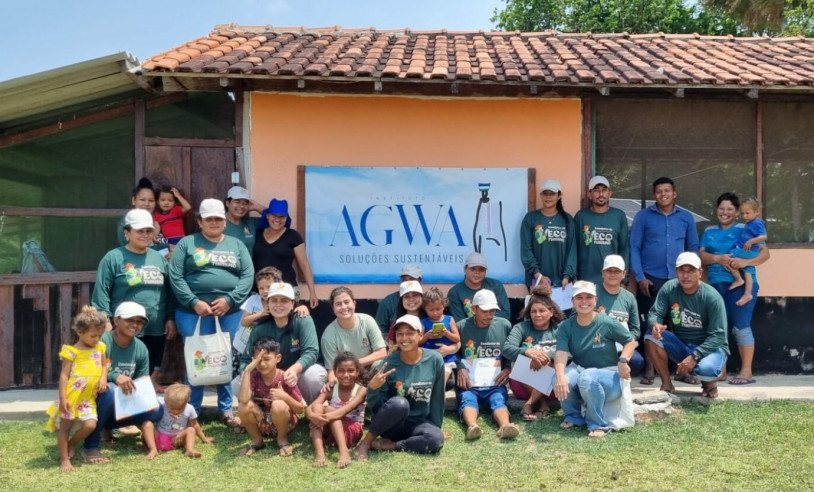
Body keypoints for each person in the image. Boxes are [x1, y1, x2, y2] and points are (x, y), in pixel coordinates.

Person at [169, 198, 254, 425]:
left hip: (230, 312)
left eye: (218, 218)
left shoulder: (237, 245)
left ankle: (226, 410)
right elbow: (175, 276)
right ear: (200, 221)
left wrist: (230, 300)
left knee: (224, 358)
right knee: (198, 358)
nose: (214, 222)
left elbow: (247, 276)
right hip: (192, 312)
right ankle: (193, 409)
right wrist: (194, 301)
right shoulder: (187, 244)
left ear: (225, 222)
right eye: (209, 219)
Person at [93, 208, 175, 392]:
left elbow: (168, 291)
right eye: (139, 231)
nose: (145, 235)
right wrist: (106, 322)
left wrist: (169, 317)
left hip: (155, 326)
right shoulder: (113, 258)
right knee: (121, 371)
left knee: (149, 366)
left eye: (148, 231)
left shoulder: (159, 258)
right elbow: (101, 293)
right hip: (123, 327)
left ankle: (145, 401)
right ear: (126, 233)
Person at [630, 177, 700, 385]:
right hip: (652, 279)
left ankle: (682, 369)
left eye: (667, 190)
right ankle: (651, 368)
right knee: (653, 323)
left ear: (674, 193)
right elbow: (634, 247)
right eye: (659, 191)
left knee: (679, 324)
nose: (663, 194)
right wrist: (640, 277)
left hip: (680, 280)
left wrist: (692, 275)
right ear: (654, 196)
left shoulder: (686, 218)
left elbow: (693, 247)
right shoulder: (643, 217)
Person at [700, 193, 770, 386]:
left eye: (730, 209)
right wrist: (717, 259)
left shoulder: (745, 227)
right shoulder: (709, 231)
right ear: (716, 210)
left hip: (741, 286)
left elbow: (765, 254)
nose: (725, 212)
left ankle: (746, 371)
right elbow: (701, 257)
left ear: (737, 212)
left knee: (740, 327)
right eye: (721, 208)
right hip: (714, 285)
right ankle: (719, 370)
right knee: (717, 329)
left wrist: (744, 262)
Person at [81, 302, 164, 465]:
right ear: (116, 320)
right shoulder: (102, 341)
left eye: (140, 321)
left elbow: (142, 382)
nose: (135, 325)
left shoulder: (141, 348)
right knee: (109, 390)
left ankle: (118, 428)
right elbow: (88, 371)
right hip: (94, 399)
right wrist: (114, 376)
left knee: (158, 409)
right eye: (130, 320)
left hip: (123, 402)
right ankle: (90, 446)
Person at [355, 315, 445, 459]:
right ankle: (365, 443)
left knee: (436, 440)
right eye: (400, 334)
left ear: (420, 334)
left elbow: (437, 398)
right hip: (393, 424)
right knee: (400, 403)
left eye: (410, 333)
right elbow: (379, 409)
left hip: (418, 423)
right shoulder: (388, 364)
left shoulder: (435, 360)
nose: (404, 338)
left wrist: (436, 428)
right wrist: (373, 389)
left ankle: (390, 446)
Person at [553, 281, 637, 438]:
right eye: (579, 297)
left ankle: (597, 424)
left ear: (596, 300)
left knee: (588, 377)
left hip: (609, 376)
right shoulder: (566, 326)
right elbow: (561, 353)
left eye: (588, 297)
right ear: (572, 301)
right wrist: (559, 376)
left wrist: (623, 360)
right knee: (558, 377)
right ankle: (573, 416)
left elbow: (630, 341)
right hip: (581, 370)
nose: (584, 302)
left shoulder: (607, 322)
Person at [644, 252, 729, 397]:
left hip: (710, 348)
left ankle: (710, 384)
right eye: (682, 270)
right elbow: (655, 313)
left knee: (707, 369)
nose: (685, 275)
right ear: (676, 272)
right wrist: (655, 324)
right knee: (651, 337)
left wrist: (695, 356)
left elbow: (719, 335)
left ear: (700, 273)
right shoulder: (669, 288)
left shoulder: (712, 297)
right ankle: (667, 384)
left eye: (691, 271)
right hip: (682, 345)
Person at [238, 282, 326, 404]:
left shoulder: (302, 320)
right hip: (272, 375)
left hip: (299, 372)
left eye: (284, 300)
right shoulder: (260, 328)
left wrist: (295, 369)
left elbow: (311, 351)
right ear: (267, 304)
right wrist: (245, 373)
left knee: (313, 376)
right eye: (274, 300)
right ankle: (263, 411)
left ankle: (312, 409)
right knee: (237, 384)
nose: (278, 305)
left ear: (292, 304)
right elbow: (246, 359)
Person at [45, 306, 108, 472]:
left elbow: (104, 365)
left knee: (90, 425)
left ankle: (71, 444)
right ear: (80, 332)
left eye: (99, 335)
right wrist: (64, 398)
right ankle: (64, 459)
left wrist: (103, 378)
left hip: (88, 398)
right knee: (65, 427)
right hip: (72, 397)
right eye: (93, 335)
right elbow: (64, 376)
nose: (96, 339)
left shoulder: (100, 347)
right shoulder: (71, 351)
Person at [455, 289, 520, 440]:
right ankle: (472, 426)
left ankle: (505, 426)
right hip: (469, 382)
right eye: (484, 311)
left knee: (499, 399)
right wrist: (460, 368)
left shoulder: (504, 325)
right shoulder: (461, 327)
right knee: (467, 399)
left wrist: (507, 369)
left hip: (494, 381)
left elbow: (510, 351)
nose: (489, 315)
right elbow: (453, 352)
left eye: (492, 311)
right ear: (474, 309)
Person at [502, 287, 564, 421]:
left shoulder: (560, 328)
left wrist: (545, 358)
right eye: (533, 311)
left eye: (542, 310)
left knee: (554, 364)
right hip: (523, 387)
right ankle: (541, 402)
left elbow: (570, 352)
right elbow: (506, 349)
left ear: (551, 312)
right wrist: (528, 352)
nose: (537, 314)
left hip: (553, 388)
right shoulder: (521, 328)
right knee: (516, 362)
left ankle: (530, 404)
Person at [238, 337, 306, 457]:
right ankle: (257, 440)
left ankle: (282, 438)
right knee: (244, 406)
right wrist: (247, 371)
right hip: (262, 424)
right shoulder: (253, 376)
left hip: (284, 423)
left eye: (266, 359)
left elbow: (300, 409)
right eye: (258, 360)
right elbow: (243, 400)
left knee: (278, 404)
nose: (262, 364)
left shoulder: (284, 377)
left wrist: (284, 397)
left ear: (278, 358)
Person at [252, 198, 318, 309]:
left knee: (287, 323)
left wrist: (312, 292)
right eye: (274, 215)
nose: (277, 219)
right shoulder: (257, 233)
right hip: (261, 290)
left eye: (281, 216)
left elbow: (304, 265)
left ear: (286, 218)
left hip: (287, 289)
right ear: (267, 215)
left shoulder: (293, 236)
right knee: (260, 323)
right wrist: (256, 206)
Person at [306, 351, 367, 469]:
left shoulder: (361, 390)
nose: (346, 375)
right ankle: (320, 452)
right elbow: (310, 407)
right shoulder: (331, 389)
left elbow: (347, 409)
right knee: (317, 407)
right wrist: (313, 416)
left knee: (328, 409)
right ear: (334, 372)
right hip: (331, 430)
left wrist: (324, 417)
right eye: (341, 371)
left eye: (350, 370)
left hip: (351, 431)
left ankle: (344, 452)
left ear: (357, 372)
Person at [321, 286, 387, 387]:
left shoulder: (367, 321)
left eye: (347, 302)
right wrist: (334, 386)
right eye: (338, 304)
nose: (343, 307)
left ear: (354, 303)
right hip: (345, 375)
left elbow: (382, 352)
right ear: (333, 308)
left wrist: (355, 363)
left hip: (369, 370)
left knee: (381, 365)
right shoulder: (328, 335)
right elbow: (331, 370)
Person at [519, 178, 577, 290]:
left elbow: (572, 252)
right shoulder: (530, 218)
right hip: (537, 282)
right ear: (541, 195)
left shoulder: (568, 220)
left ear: (559, 196)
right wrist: (538, 275)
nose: (548, 197)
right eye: (545, 194)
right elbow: (526, 250)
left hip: (562, 284)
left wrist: (567, 276)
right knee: (538, 308)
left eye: (552, 194)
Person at [574, 175, 630, 285]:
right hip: (586, 279)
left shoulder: (619, 216)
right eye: (596, 190)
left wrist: (624, 279)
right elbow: (574, 249)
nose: (601, 194)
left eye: (604, 190)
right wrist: (573, 276)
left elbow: (624, 249)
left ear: (610, 193)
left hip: (612, 279)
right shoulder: (581, 216)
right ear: (589, 194)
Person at [596, 255, 644, 376]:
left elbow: (635, 329)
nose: (613, 275)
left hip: (621, 345)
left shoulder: (629, 297)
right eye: (609, 271)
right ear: (602, 272)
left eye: (617, 271)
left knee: (637, 362)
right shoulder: (592, 293)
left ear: (623, 274)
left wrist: (627, 342)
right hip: (597, 343)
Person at [141, 383, 214, 460]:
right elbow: (149, 397)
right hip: (158, 437)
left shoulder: (190, 409)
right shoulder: (161, 402)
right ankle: (153, 450)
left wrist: (204, 438)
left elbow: (195, 425)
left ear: (186, 402)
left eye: (179, 409)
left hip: (176, 440)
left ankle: (190, 450)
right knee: (147, 424)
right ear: (165, 401)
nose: (175, 412)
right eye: (171, 408)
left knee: (191, 430)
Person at [447, 252, 511, 322]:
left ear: (485, 271)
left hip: (495, 328)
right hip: (469, 331)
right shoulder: (455, 292)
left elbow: (506, 313)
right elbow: (460, 321)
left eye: (481, 270)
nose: (477, 273)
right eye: (473, 269)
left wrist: (483, 318)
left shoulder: (496, 285)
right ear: (465, 269)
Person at [728, 198, 768, 307]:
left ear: (757, 212)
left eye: (747, 213)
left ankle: (739, 280)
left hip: (749, 250)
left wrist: (751, 241)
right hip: (747, 250)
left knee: (730, 257)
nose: (744, 216)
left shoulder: (757, 223)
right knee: (748, 271)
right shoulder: (751, 222)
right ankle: (747, 293)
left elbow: (764, 236)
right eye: (742, 213)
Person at [420, 287, 461, 389]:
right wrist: (427, 336)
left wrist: (447, 333)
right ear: (425, 309)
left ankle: (440, 404)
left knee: (441, 385)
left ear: (444, 306)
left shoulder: (449, 319)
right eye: (431, 310)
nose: (435, 313)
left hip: (447, 358)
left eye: (438, 309)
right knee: (430, 384)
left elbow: (457, 339)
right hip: (429, 359)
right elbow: (418, 342)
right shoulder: (424, 322)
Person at [375, 264, 423, 339]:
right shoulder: (388, 302)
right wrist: (393, 344)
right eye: (405, 280)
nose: (411, 299)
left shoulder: (428, 303)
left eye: (412, 280)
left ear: (420, 281)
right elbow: (379, 331)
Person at [116, 177, 162, 250]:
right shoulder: (127, 221)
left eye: (151, 200)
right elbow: (132, 248)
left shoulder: (158, 220)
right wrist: (153, 234)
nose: (146, 204)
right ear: (134, 200)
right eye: (142, 200)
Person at [224, 185, 265, 252]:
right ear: (228, 203)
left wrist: (257, 207)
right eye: (237, 202)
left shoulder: (251, 223)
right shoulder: (218, 223)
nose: (241, 206)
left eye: (245, 203)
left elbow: (277, 219)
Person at [386, 280, 426, 345]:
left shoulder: (433, 319)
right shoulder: (396, 324)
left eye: (415, 295)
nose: (411, 299)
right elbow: (391, 349)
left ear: (422, 297)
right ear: (401, 301)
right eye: (407, 296)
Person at [153, 186, 192, 250]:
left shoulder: (176, 210)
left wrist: (178, 196)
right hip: (167, 242)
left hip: (180, 240)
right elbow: (156, 227)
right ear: (158, 202)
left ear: (175, 203)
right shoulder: (157, 215)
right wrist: (154, 236)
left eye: (170, 200)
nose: (166, 203)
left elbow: (188, 207)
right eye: (163, 200)